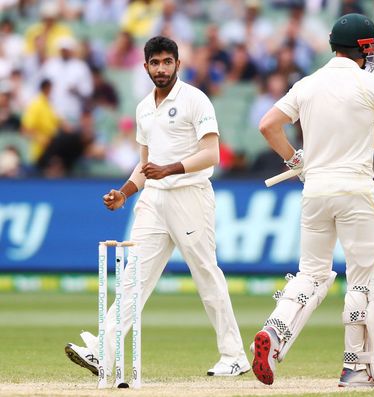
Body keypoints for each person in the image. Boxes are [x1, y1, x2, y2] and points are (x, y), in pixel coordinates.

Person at [251, 13, 374, 387]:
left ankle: (274, 334)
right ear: (362, 47)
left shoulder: (306, 84)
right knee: (364, 281)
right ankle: (356, 368)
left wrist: (297, 160)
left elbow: (267, 125)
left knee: (311, 273)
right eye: (371, 46)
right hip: (356, 191)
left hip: (315, 191)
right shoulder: (368, 82)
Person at [65, 36, 250, 377]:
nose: (162, 68)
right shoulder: (143, 108)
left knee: (206, 274)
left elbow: (212, 154)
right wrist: (124, 192)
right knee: (133, 278)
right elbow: (144, 164)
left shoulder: (196, 100)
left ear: (178, 64)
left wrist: (170, 169)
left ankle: (234, 355)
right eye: (156, 62)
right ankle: (103, 353)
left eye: (168, 62)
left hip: (189, 195)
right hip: (153, 201)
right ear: (145, 66)